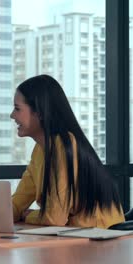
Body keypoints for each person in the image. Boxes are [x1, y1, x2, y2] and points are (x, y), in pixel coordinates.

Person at [10, 74, 124, 228]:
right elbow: (18, 203)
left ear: (39, 112)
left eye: (17, 109)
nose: (12, 115)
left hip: (101, 237)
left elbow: (54, 218)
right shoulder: (40, 150)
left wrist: (28, 215)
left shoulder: (63, 145)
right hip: (77, 236)